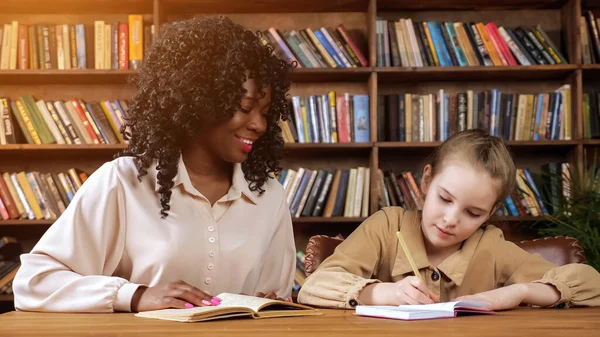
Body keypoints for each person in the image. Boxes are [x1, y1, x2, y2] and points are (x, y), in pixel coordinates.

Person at [13, 16, 297, 313]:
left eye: (265, 112)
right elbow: (34, 283)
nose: (259, 125)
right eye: (244, 108)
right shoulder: (123, 182)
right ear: (198, 101)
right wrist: (135, 296)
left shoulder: (269, 196)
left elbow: (272, 300)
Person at [298, 129, 600, 310]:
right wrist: (383, 292)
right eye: (445, 198)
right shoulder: (387, 227)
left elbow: (591, 284)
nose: (451, 219)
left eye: (473, 213)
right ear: (427, 181)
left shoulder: (490, 246)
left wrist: (517, 292)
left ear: (490, 213)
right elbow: (314, 286)